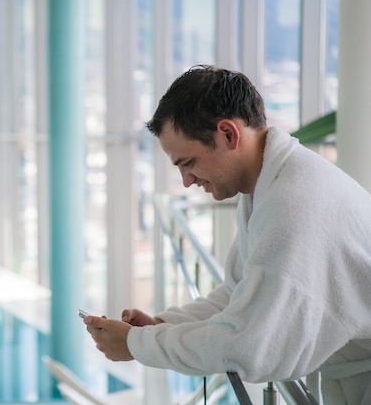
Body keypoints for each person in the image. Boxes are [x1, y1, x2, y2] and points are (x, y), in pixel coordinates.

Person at [83, 65, 371, 404]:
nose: (186, 181)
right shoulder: (268, 184)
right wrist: (161, 325)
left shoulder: (292, 204)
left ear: (228, 135)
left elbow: (248, 346)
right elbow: (240, 295)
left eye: (187, 162)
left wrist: (136, 345)